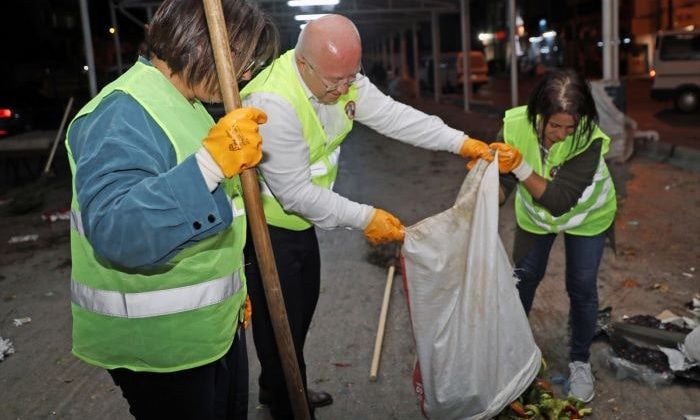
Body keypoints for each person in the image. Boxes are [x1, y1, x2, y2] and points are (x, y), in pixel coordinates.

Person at [239, 14, 493, 419]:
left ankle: (282, 386)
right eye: (333, 82)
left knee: (300, 310)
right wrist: (365, 217)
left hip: (300, 223)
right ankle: (287, 402)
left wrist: (461, 143)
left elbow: (395, 116)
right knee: (279, 323)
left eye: (349, 78)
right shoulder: (271, 103)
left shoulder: (341, 79)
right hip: (267, 228)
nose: (343, 90)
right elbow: (295, 195)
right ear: (303, 64)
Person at [65, 0, 277, 418]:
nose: (248, 74)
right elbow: (117, 230)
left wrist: (232, 295)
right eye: (245, 59)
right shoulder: (123, 112)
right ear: (202, 43)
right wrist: (209, 166)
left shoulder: (189, 104)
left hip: (209, 331)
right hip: (160, 344)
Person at [490, 69, 617, 403]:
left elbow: (560, 201)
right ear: (537, 115)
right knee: (524, 278)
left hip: (587, 215)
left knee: (582, 286)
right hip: (536, 217)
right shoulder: (515, 126)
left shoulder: (588, 139)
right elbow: (503, 181)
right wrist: (489, 192)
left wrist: (519, 167)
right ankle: (509, 356)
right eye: (553, 125)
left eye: (569, 127)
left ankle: (579, 361)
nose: (561, 135)